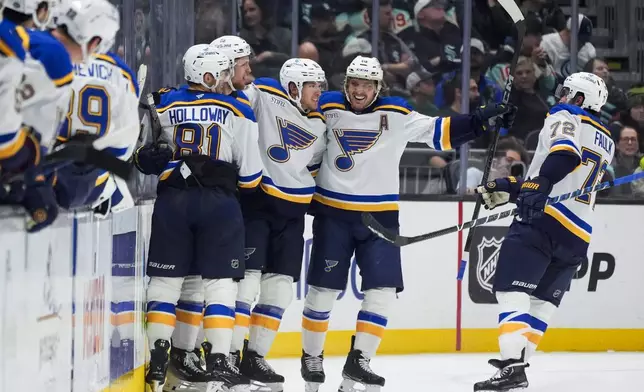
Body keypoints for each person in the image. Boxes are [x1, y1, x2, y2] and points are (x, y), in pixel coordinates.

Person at [301, 55, 516, 392]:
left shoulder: (397, 113)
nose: (359, 90)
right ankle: (311, 357)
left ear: (378, 87)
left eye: (367, 85)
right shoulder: (326, 107)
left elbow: (439, 132)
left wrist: (482, 121)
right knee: (323, 292)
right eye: (354, 83)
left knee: (383, 292)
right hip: (334, 213)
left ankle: (360, 361)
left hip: (381, 218)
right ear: (346, 84)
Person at [473, 72, 612, 391]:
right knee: (541, 304)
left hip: (543, 222)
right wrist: (515, 187)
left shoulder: (566, 114)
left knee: (511, 291)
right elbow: (563, 178)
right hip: (578, 236)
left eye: (567, 92)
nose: (559, 97)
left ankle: (510, 366)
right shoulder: (607, 139)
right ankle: (519, 368)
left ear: (579, 99)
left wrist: (539, 183)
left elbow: (565, 155)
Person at [135, 49, 263, 392]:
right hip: (219, 203)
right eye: (221, 73)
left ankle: (159, 359)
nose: (226, 79)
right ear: (207, 76)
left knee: (165, 283)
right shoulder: (238, 107)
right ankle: (220, 359)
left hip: (173, 200)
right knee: (221, 284)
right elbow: (251, 177)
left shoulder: (161, 102)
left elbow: (142, 156)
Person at [233, 58, 327, 390]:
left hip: (293, 216)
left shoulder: (320, 124)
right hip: (257, 206)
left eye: (320, 85)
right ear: (293, 87)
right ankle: (230, 354)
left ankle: (255, 355)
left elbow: (315, 166)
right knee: (245, 284)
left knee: (280, 290)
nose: (319, 91)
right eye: (313, 85)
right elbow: (232, 96)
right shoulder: (265, 94)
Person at [1, 0, 120, 232]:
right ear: (95, 41)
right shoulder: (52, 56)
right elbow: (6, 137)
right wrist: (32, 173)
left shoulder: (26, 40)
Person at [53, 7, 135, 216]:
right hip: (94, 179)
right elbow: (124, 147)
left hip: (46, 171)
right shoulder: (121, 73)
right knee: (122, 196)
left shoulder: (45, 53)